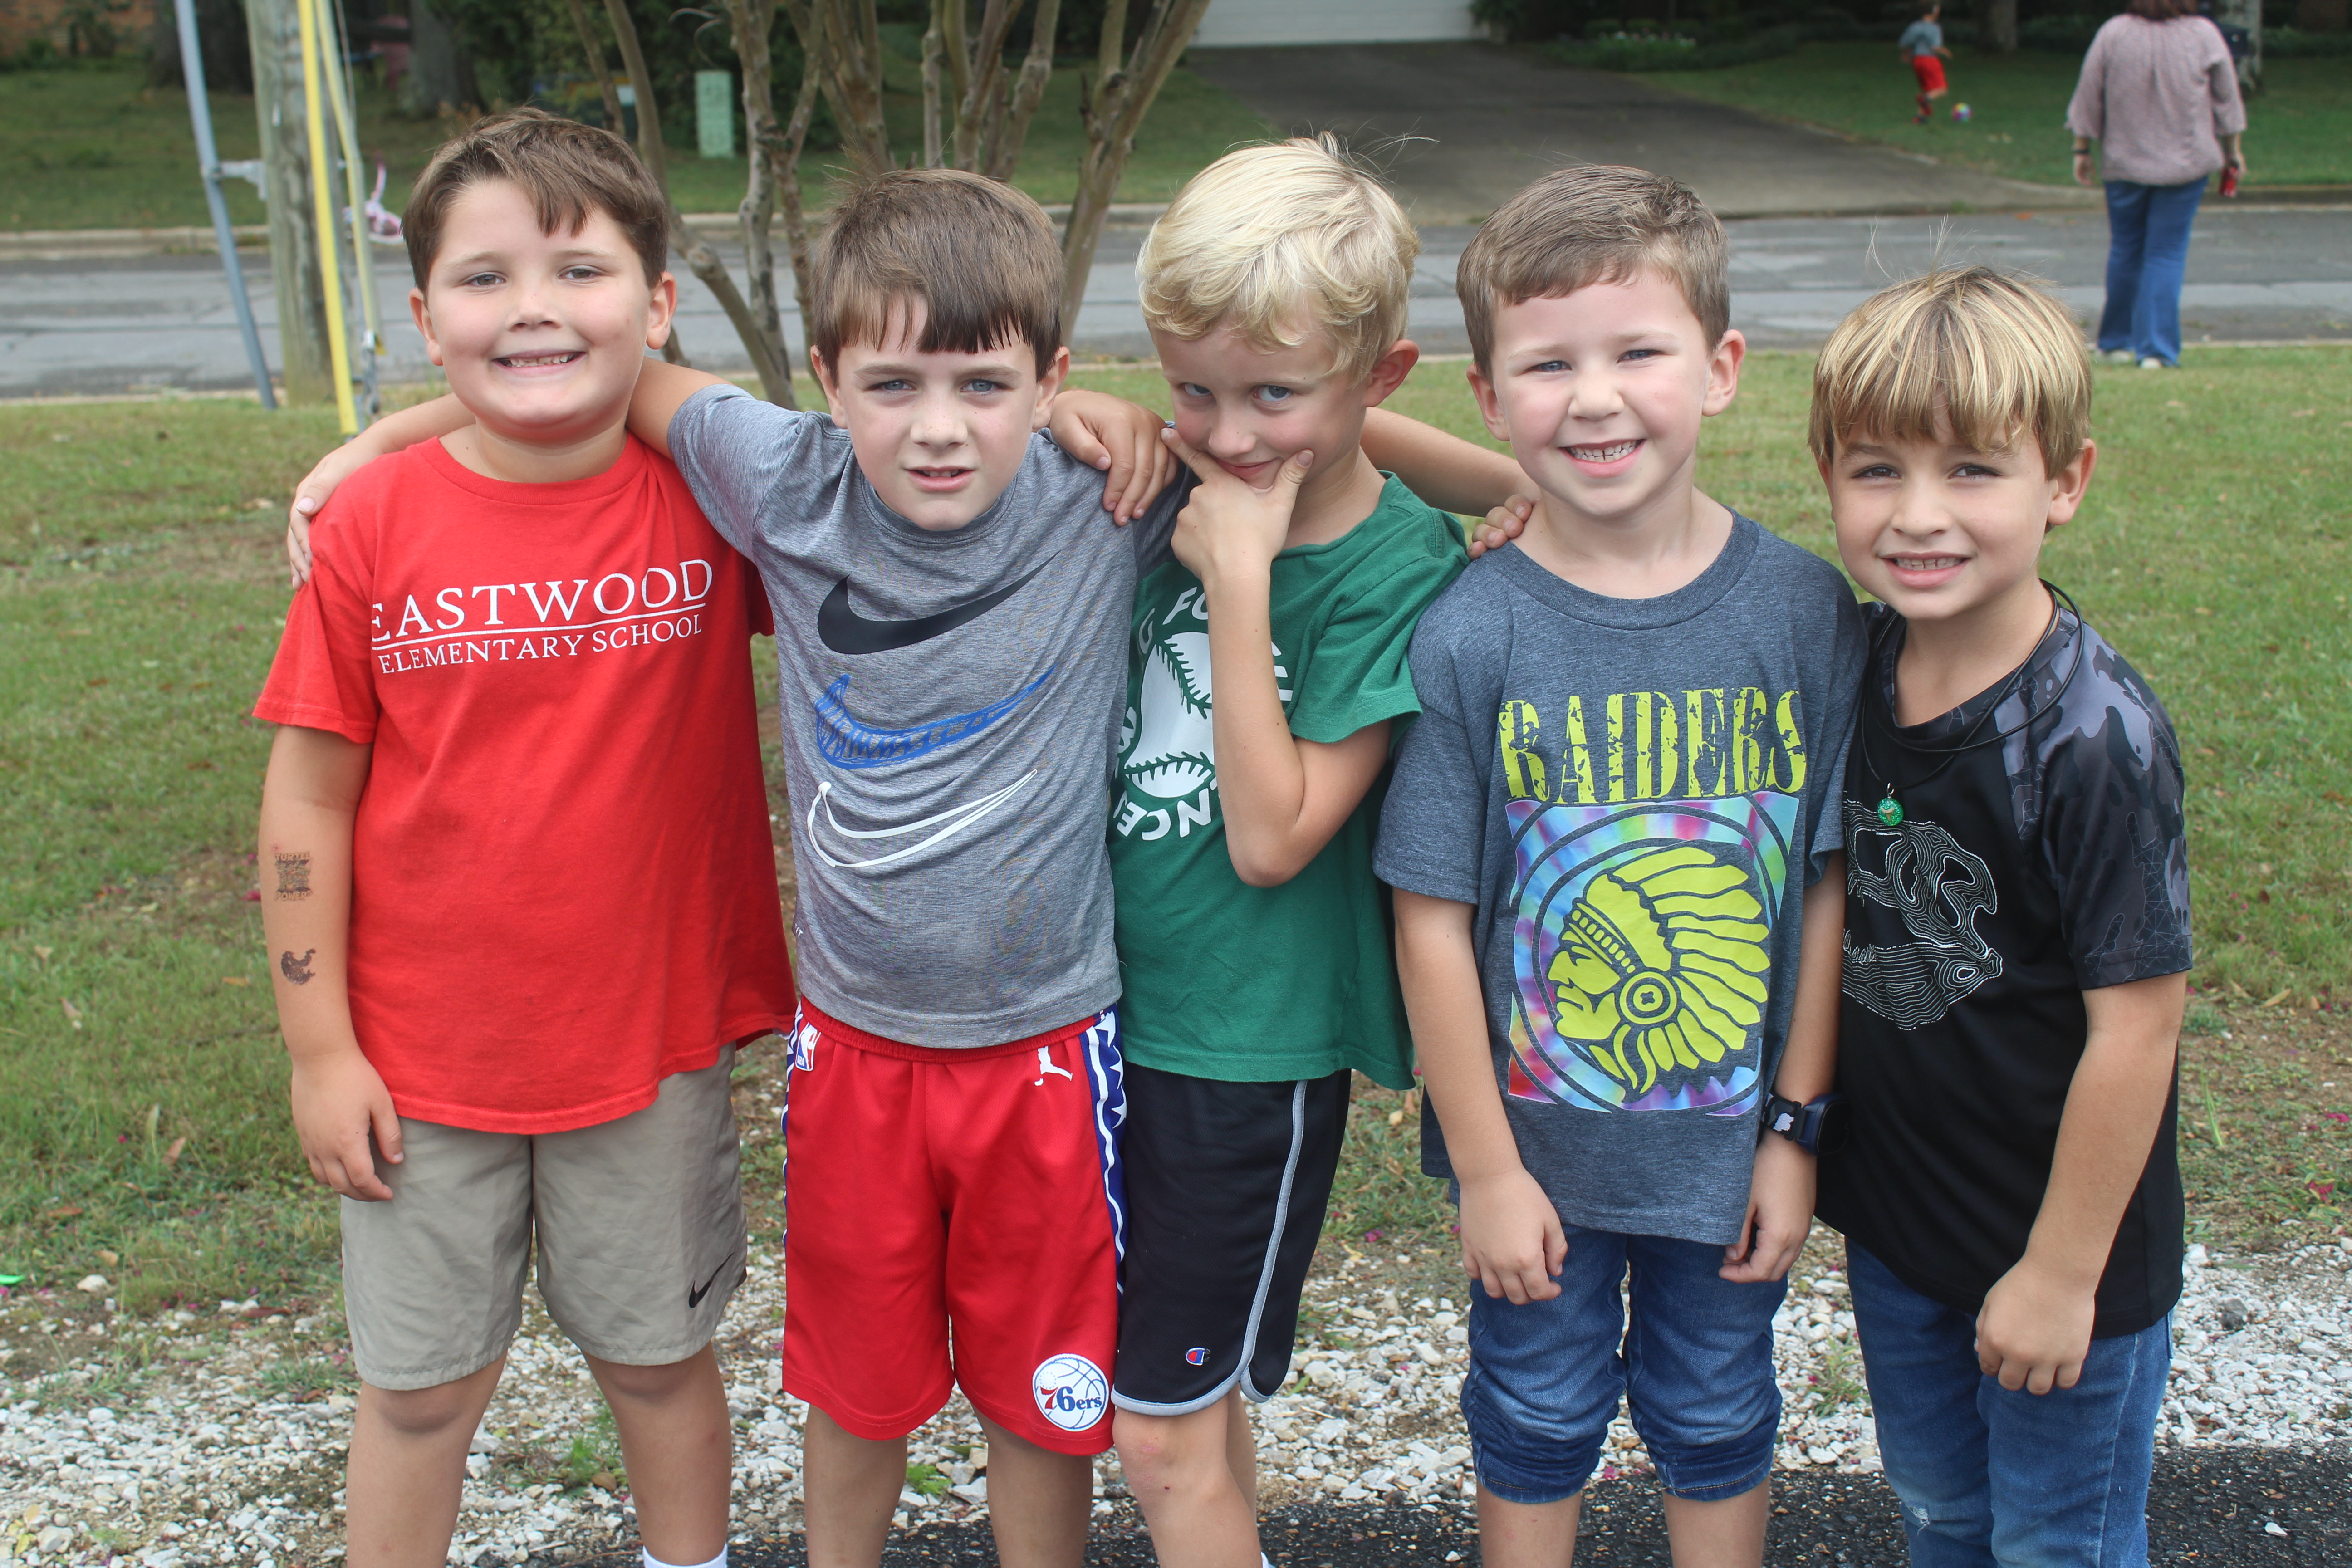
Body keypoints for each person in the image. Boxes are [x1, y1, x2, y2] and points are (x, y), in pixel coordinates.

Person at [285, 159, 1519, 1568]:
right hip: (855, 1047)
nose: (938, 430)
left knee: (1047, 1398)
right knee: (854, 1388)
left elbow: (1316, 417)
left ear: (1049, 379)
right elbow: (590, 367)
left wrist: (1517, 487)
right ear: (823, 377)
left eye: (986, 388)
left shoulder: (1110, 491)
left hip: (1050, 1047)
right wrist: (382, 441)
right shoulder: (783, 475)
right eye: (891, 388)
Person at [254, 108, 796, 1568]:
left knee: (657, 1366)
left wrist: (396, 413)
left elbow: (813, 433)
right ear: (424, 317)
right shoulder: (372, 529)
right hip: (421, 1064)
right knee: (422, 1392)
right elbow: (307, 800)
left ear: (660, 306)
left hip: (651, 1044)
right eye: (486, 281)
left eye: (582, 271)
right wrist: (320, 1049)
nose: (537, 309)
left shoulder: (714, 498)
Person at [1377, 164, 1864, 1568]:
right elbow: (1430, 917)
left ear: (1718, 370)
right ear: (1487, 397)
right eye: (1549, 365)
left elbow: (1825, 890)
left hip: (1730, 1155)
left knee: (1719, 1415)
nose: (1594, 400)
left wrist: (1795, 1129)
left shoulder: (1802, 613)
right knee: (1531, 1416)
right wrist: (1485, 1169)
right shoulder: (1473, 630)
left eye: (1637, 352)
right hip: (1538, 1163)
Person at [1104, 139, 1503, 1568]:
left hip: (1248, 1055)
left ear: (1377, 380)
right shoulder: (1194, 473)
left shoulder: (1398, 575)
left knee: (1152, 1430)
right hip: (1110, 1025)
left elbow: (1274, 840)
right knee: (1189, 1411)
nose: (1227, 433)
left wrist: (1241, 574)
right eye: (1190, 389)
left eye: (1274, 394)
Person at [1809, 267, 2191, 1567]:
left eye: (1974, 470)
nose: (1920, 516)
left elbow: (2138, 1032)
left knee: (2058, 1548)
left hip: (2061, 1257)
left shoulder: (2098, 740)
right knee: (1942, 1522)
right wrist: (1506, 497)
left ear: (2065, 482)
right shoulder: (1851, 665)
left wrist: (2061, 1273)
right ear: (1827, 475)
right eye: (1876, 471)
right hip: (1901, 1233)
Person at [2066, 0, 2248, 370]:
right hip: (2185, 164)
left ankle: (2114, 343)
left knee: (2126, 251)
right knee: (2165, 253)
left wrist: (2082, 147)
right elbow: (2227, 99)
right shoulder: (2203, 34)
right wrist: (2233, 151)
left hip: (2123, 163)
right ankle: (2156, 350)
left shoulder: (2114, 32)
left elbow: (2088, 92)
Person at [1898, 3, 1955, 125]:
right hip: (1930, 60)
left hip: (1918, 60)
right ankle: (1925, 100)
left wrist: (1906, 54)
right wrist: (1946, 52)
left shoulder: (1914, 27)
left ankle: (1920, 118)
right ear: (1934, 12)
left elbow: (1906, 43)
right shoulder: (1935, 28)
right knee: (1941, 89)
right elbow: (1935, 48)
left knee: (1928, 89)